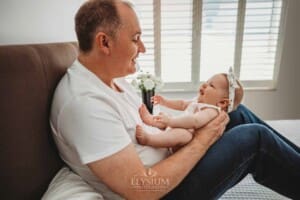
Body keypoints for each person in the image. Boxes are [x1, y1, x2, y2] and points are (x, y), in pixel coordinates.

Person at [49, 0, 300, 199]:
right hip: (165, 192)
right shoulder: (83, 104)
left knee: (238, 113)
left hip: (172, 162)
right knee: (254, 138)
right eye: (135, 39)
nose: (143, 48)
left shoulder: (111, 81)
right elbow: (141, 189)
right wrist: (202, 140)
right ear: (104, 42)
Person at [136, 71, 244, 150]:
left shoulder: (212, 111)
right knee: (166, 116)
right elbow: (182, 104)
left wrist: (170, 122)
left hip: (187, 140)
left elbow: (195, 121)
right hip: (179, 127)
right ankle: (151, 120)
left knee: (182, 133)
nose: (204, 85)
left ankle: (150, 139)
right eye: (207, 81)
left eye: (211, 85)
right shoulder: (198, 101)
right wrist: (165, 102)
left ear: (222, 103)